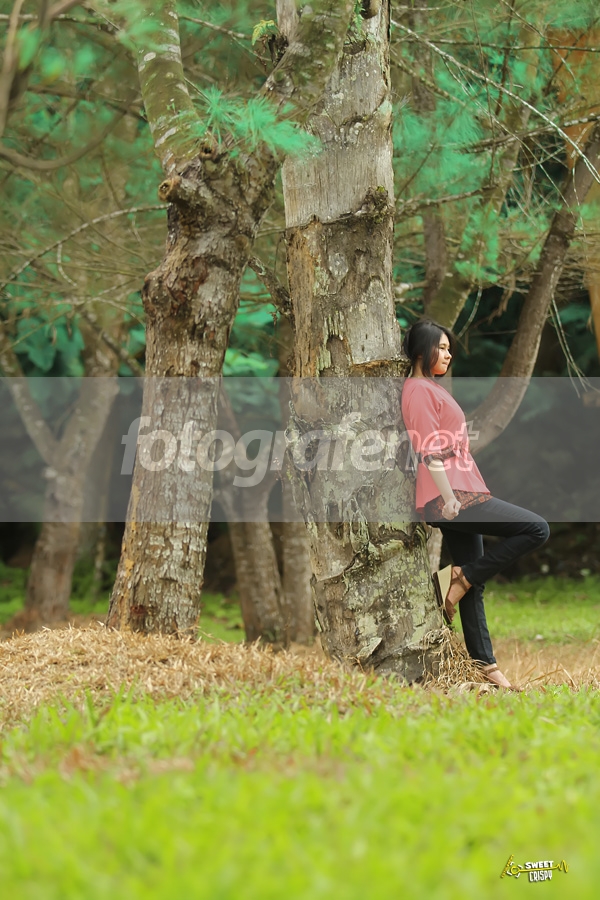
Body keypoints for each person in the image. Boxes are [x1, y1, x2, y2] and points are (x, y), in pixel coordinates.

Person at [401, 319, 550, 690]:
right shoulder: (418, 391)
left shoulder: (429, 388)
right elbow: (428, 450)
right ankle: (463, 577)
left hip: (461, 491)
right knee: (536, 529)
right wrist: (450, 497)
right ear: (421, 351)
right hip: (451, 496)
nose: (448, 354)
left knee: (474, 584)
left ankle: (486, 667)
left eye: (449, 349)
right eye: (441, 348)